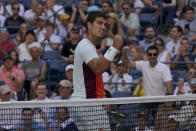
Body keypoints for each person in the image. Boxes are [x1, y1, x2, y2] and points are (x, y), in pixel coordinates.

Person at [71, 11, 123, 131]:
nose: (103, 27)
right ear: (89, 25)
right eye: (99, 23)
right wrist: (114, 48)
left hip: (81, 103)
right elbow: (99, 69)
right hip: (88, 103)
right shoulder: (86, 46)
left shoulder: (90, 47)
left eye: (105, 24)